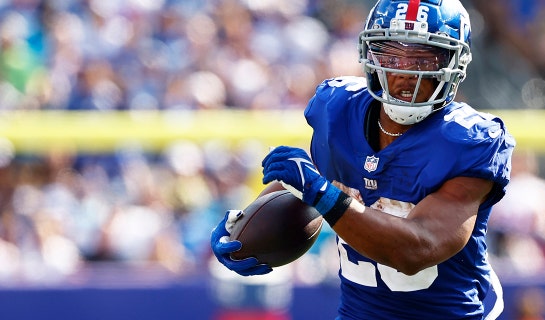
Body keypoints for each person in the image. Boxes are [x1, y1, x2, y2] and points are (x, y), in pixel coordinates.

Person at [211, 0, 515, 319]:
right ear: (369, 55)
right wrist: (245, 224)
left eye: (424, 58)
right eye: (392, 55)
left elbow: (417, 249)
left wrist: (320, 192)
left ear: (455, 62)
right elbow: (311, 185)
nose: (404, 72)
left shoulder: (468, 140)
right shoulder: (338, 109)